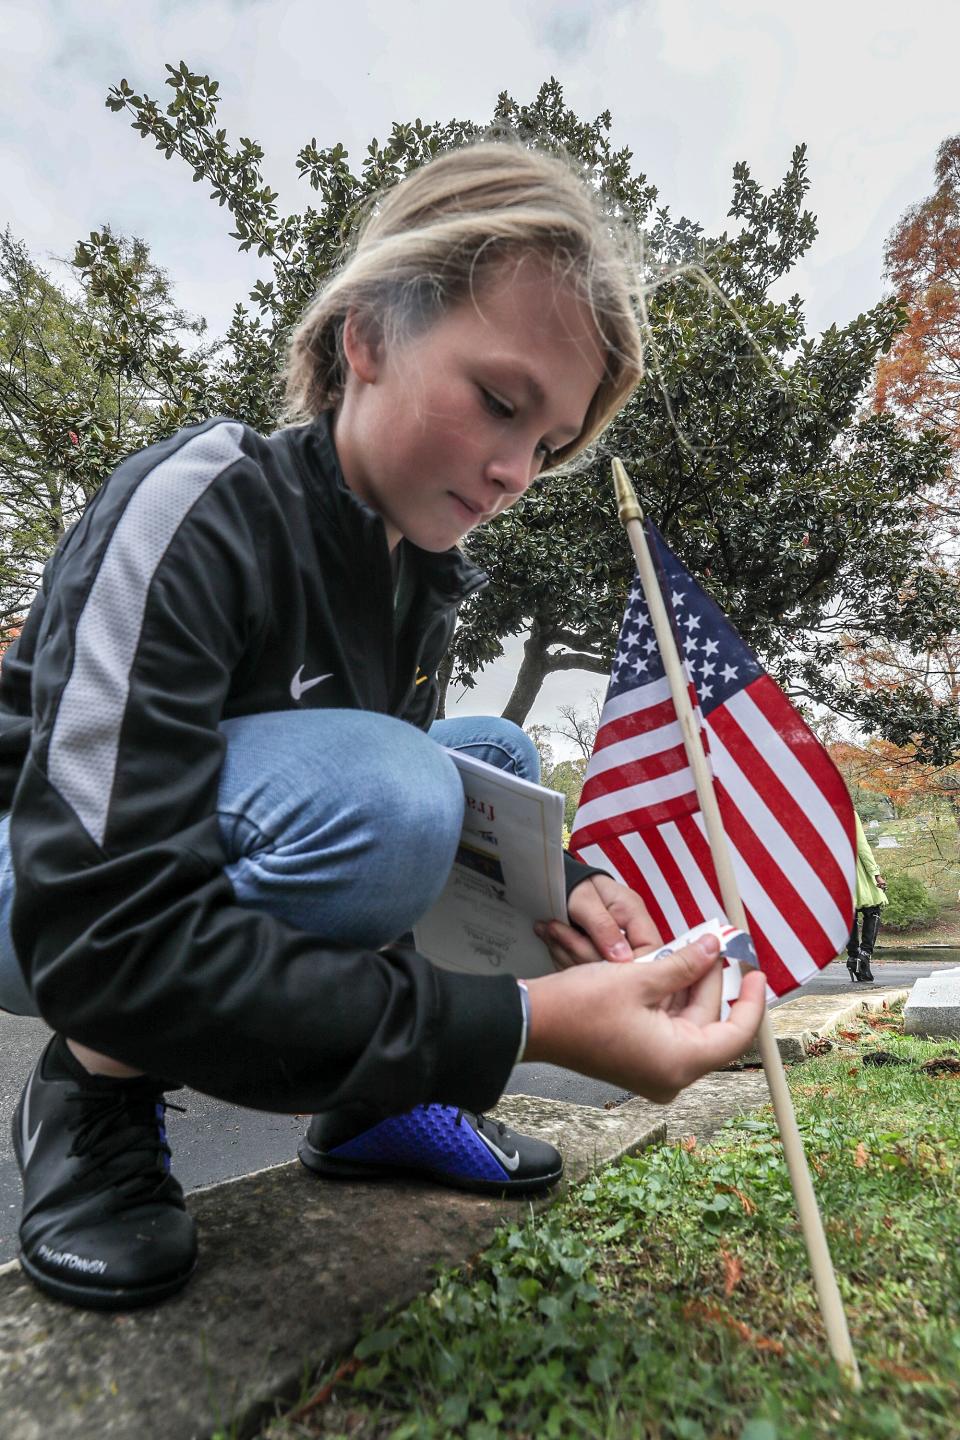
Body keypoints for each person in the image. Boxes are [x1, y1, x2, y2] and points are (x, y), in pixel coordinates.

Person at [0, 141, 766, 1311]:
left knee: (490, 765)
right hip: (52, 888)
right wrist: (518, 1026)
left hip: (167, 868)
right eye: (501, 403)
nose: (516, 469)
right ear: (364, 338)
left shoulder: (417, 581)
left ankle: (366, 1109)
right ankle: (93, 1088)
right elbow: (104, 914)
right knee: (401, 795)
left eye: (548, 445)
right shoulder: (200, 498)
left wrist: (571, 874)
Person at [846, 811, 888, 982]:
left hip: (830, 871)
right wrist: (876, 873)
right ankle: (864, 954)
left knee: (848, 914)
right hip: (854, 869)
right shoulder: (846, 811)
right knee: (873, 908)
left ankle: (852, 957)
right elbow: (861, 845)